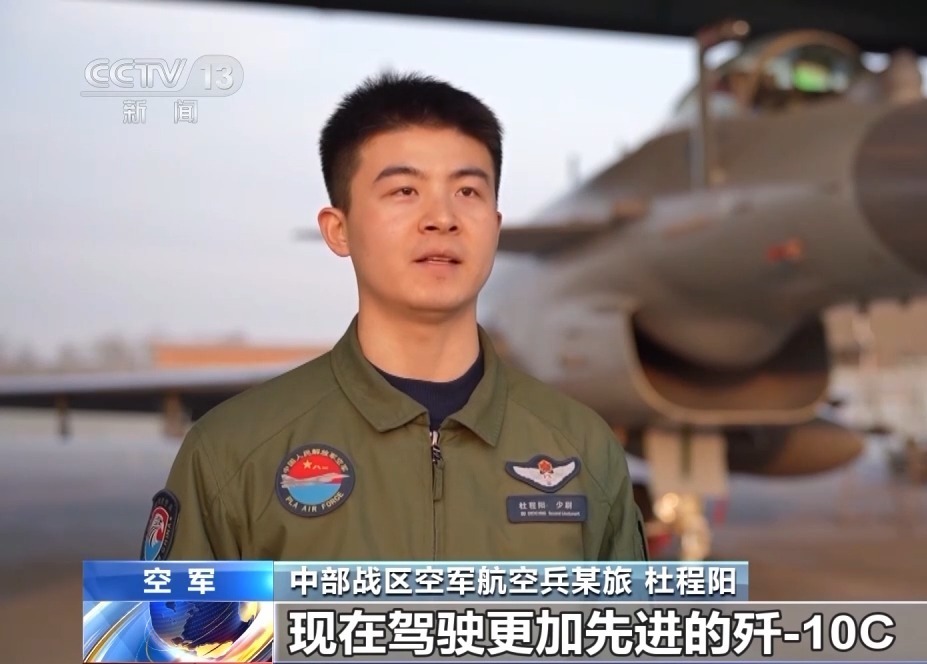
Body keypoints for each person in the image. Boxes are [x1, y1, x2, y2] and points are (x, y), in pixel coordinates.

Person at [139, 71, 648, 562]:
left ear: (494, 228)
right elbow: (172, 625)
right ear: (338, 229)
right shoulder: (232, 452)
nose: (442, 218)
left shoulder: (583, 449)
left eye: (467, 192)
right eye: (404, 191)